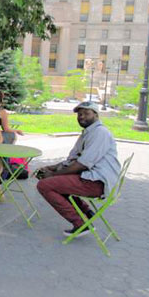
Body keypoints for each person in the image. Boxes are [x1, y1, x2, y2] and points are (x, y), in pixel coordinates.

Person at [35, 101, 121, 237]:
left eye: (86, 113)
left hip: (97, 182)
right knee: (57, 182)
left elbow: (82, 164)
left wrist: (52, 175)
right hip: (90, 177)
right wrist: (52, 168)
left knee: (45, 185)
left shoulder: (100, 133)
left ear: (96, 115)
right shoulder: (88, 133)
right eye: (79, 114)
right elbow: (72, 160)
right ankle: (86, 213)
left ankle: (80, 224)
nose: (81, 116)